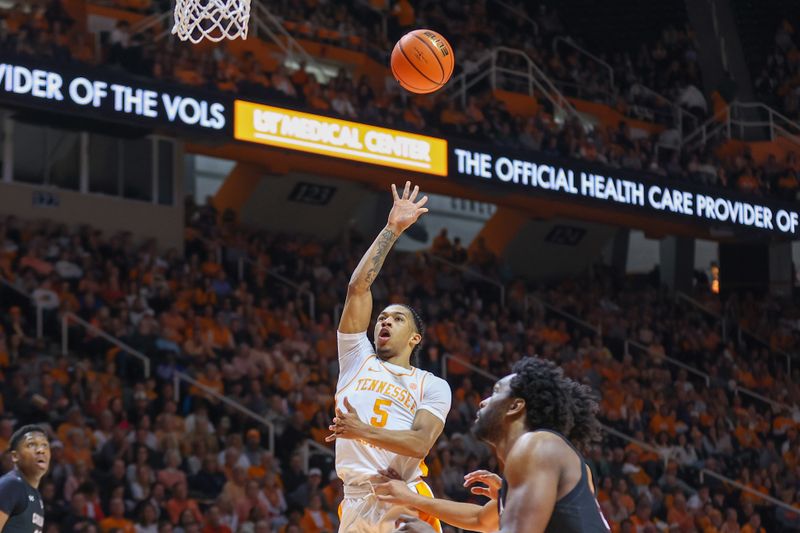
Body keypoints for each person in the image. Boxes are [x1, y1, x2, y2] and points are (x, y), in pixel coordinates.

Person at [327, 181, 452, 532]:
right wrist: (392, 229)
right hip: (354, 501)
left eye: (397, 319)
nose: (385, 320)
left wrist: (361, 430)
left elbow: (419, 443)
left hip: (404, 496)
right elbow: (358, 288)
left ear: (415, 338)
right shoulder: (356, 358)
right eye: (382, 316)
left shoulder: (432, 384)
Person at [378, 357, 611, 533]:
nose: (483, 401)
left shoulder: (538, 445)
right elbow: (479, 519)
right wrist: (412, 498)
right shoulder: (545, 458)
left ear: (515, 406)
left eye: (496, 392)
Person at [0, 424, 51, 533]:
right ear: (15, 456)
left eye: (45, 445)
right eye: (31, 444)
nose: (41, 450)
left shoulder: (36, 495)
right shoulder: (11, 484)